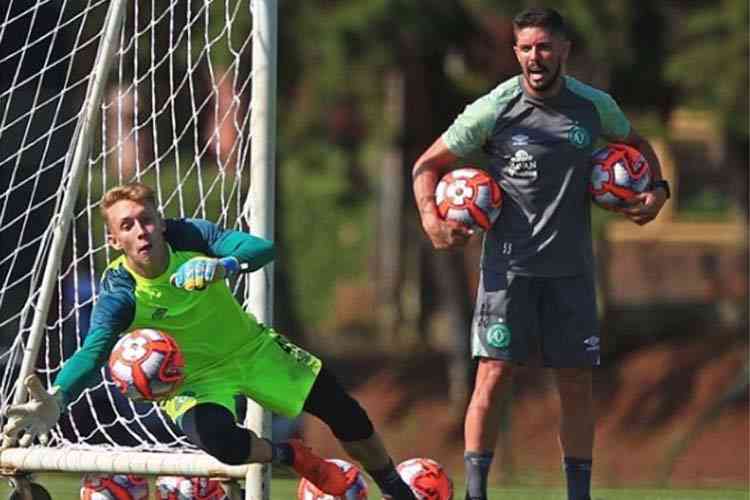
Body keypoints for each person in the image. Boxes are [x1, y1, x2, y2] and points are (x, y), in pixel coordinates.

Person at [2, 182, 417, 500]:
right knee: (224, 446)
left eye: (146, 219)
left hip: (252, 350)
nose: (142, 231)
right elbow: (93, 352)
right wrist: (58, 396)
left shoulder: (191, 236)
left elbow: (262, 249)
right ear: (115, 241)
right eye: (127, 225)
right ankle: (292, 456)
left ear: (161, 222)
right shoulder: (120, 293)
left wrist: (223, 265)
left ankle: (395, 488)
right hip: (190, 382)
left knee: (346, 414)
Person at [412, 7, 669, 500]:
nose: (536, 57)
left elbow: (636, 145)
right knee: (493, 374)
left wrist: (657, 191)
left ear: (564, 51)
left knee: (575, 383)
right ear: (516, 52)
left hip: (572, 272)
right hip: (508, 270)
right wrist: (431, 219)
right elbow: (428, 164)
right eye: (527, 48)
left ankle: (579, 494)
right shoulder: (494, 109)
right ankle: (477, 492)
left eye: (545, 47)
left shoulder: (594, 108)